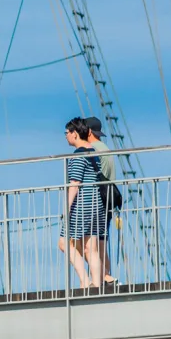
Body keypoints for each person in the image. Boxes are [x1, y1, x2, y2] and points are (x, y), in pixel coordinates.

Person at [58, 117, 106, 289]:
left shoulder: (78, 156)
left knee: (64, 243)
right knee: (90, 248)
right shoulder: (94, 153)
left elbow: (74, 184)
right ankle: (97, 283)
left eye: (67, 133)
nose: (66, 137)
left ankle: (85, 282)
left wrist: (66, 208)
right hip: (96, 206)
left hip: (82, 207)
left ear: (75, 134)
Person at [84, 116, 118, 285]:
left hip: (97, 200)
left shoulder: (92, 149)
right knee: (101, 240)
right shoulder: (105, 148)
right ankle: (106, 276)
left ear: (88, 131)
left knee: (90, 243)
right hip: (109, 198)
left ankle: (101, 276)